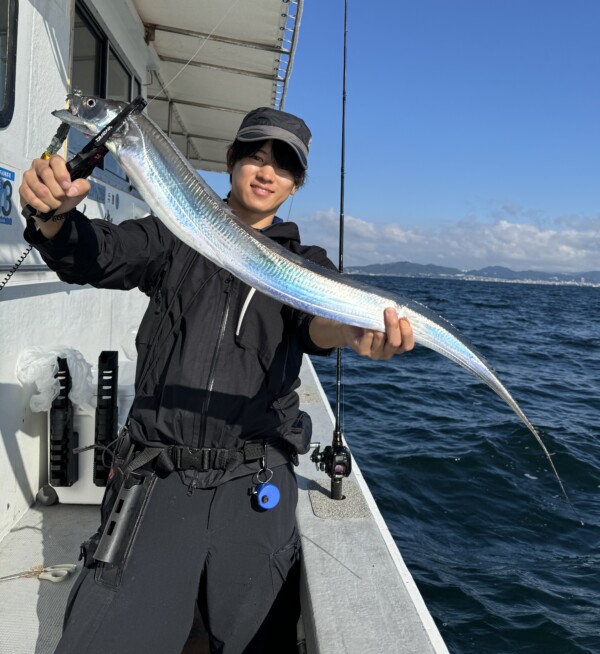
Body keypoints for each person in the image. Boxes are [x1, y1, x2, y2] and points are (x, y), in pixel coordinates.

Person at [19, 106, 414, 654]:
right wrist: (53, 220)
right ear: (230, 161)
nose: (266, 170)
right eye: (255, 154)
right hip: (157, 472)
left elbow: (317, 324)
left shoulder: (304, 262)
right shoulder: (175, 231)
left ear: (296, 184)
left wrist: (351, 329)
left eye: (284, 164)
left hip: (254, 478)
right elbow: (99, 254)